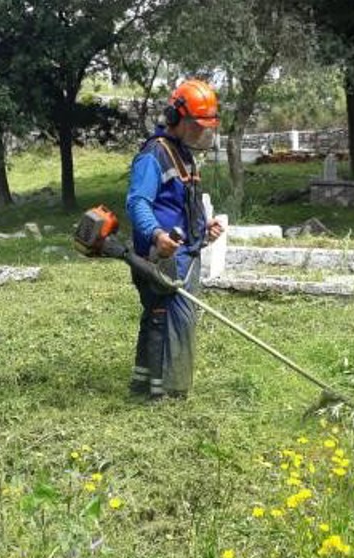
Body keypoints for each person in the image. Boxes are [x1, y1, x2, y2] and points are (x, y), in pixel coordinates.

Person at [125, 79, 226, 402]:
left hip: (185, 255)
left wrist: (203, 229)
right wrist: (157, 234)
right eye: (197, 126)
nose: (202, 133)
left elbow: (183, 204)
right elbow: (137, 202)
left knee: (165, 321)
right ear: (175, 117)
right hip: (161, 257)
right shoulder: (154, 154)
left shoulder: (183, 154)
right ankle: (169, 393)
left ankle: (148, 386)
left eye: (206, 127)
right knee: (169, 321)